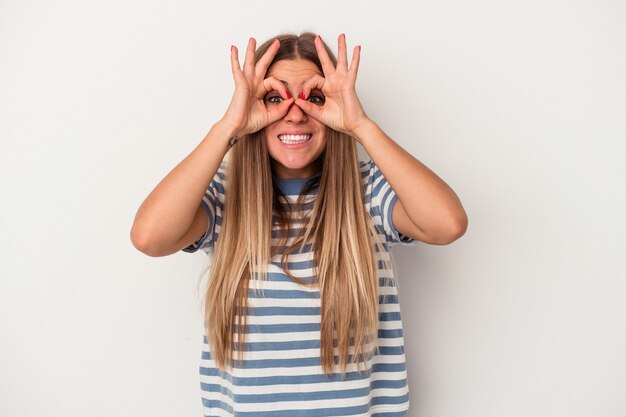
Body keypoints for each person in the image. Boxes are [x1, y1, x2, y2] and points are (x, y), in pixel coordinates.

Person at [131, 31, 467, 417]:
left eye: (314, 98)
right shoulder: (225, 194)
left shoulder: (368, 191)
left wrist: (360, 125)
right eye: (275, 98)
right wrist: (229, 128)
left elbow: (448, 224)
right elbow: (149, 237)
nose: (294, 112)